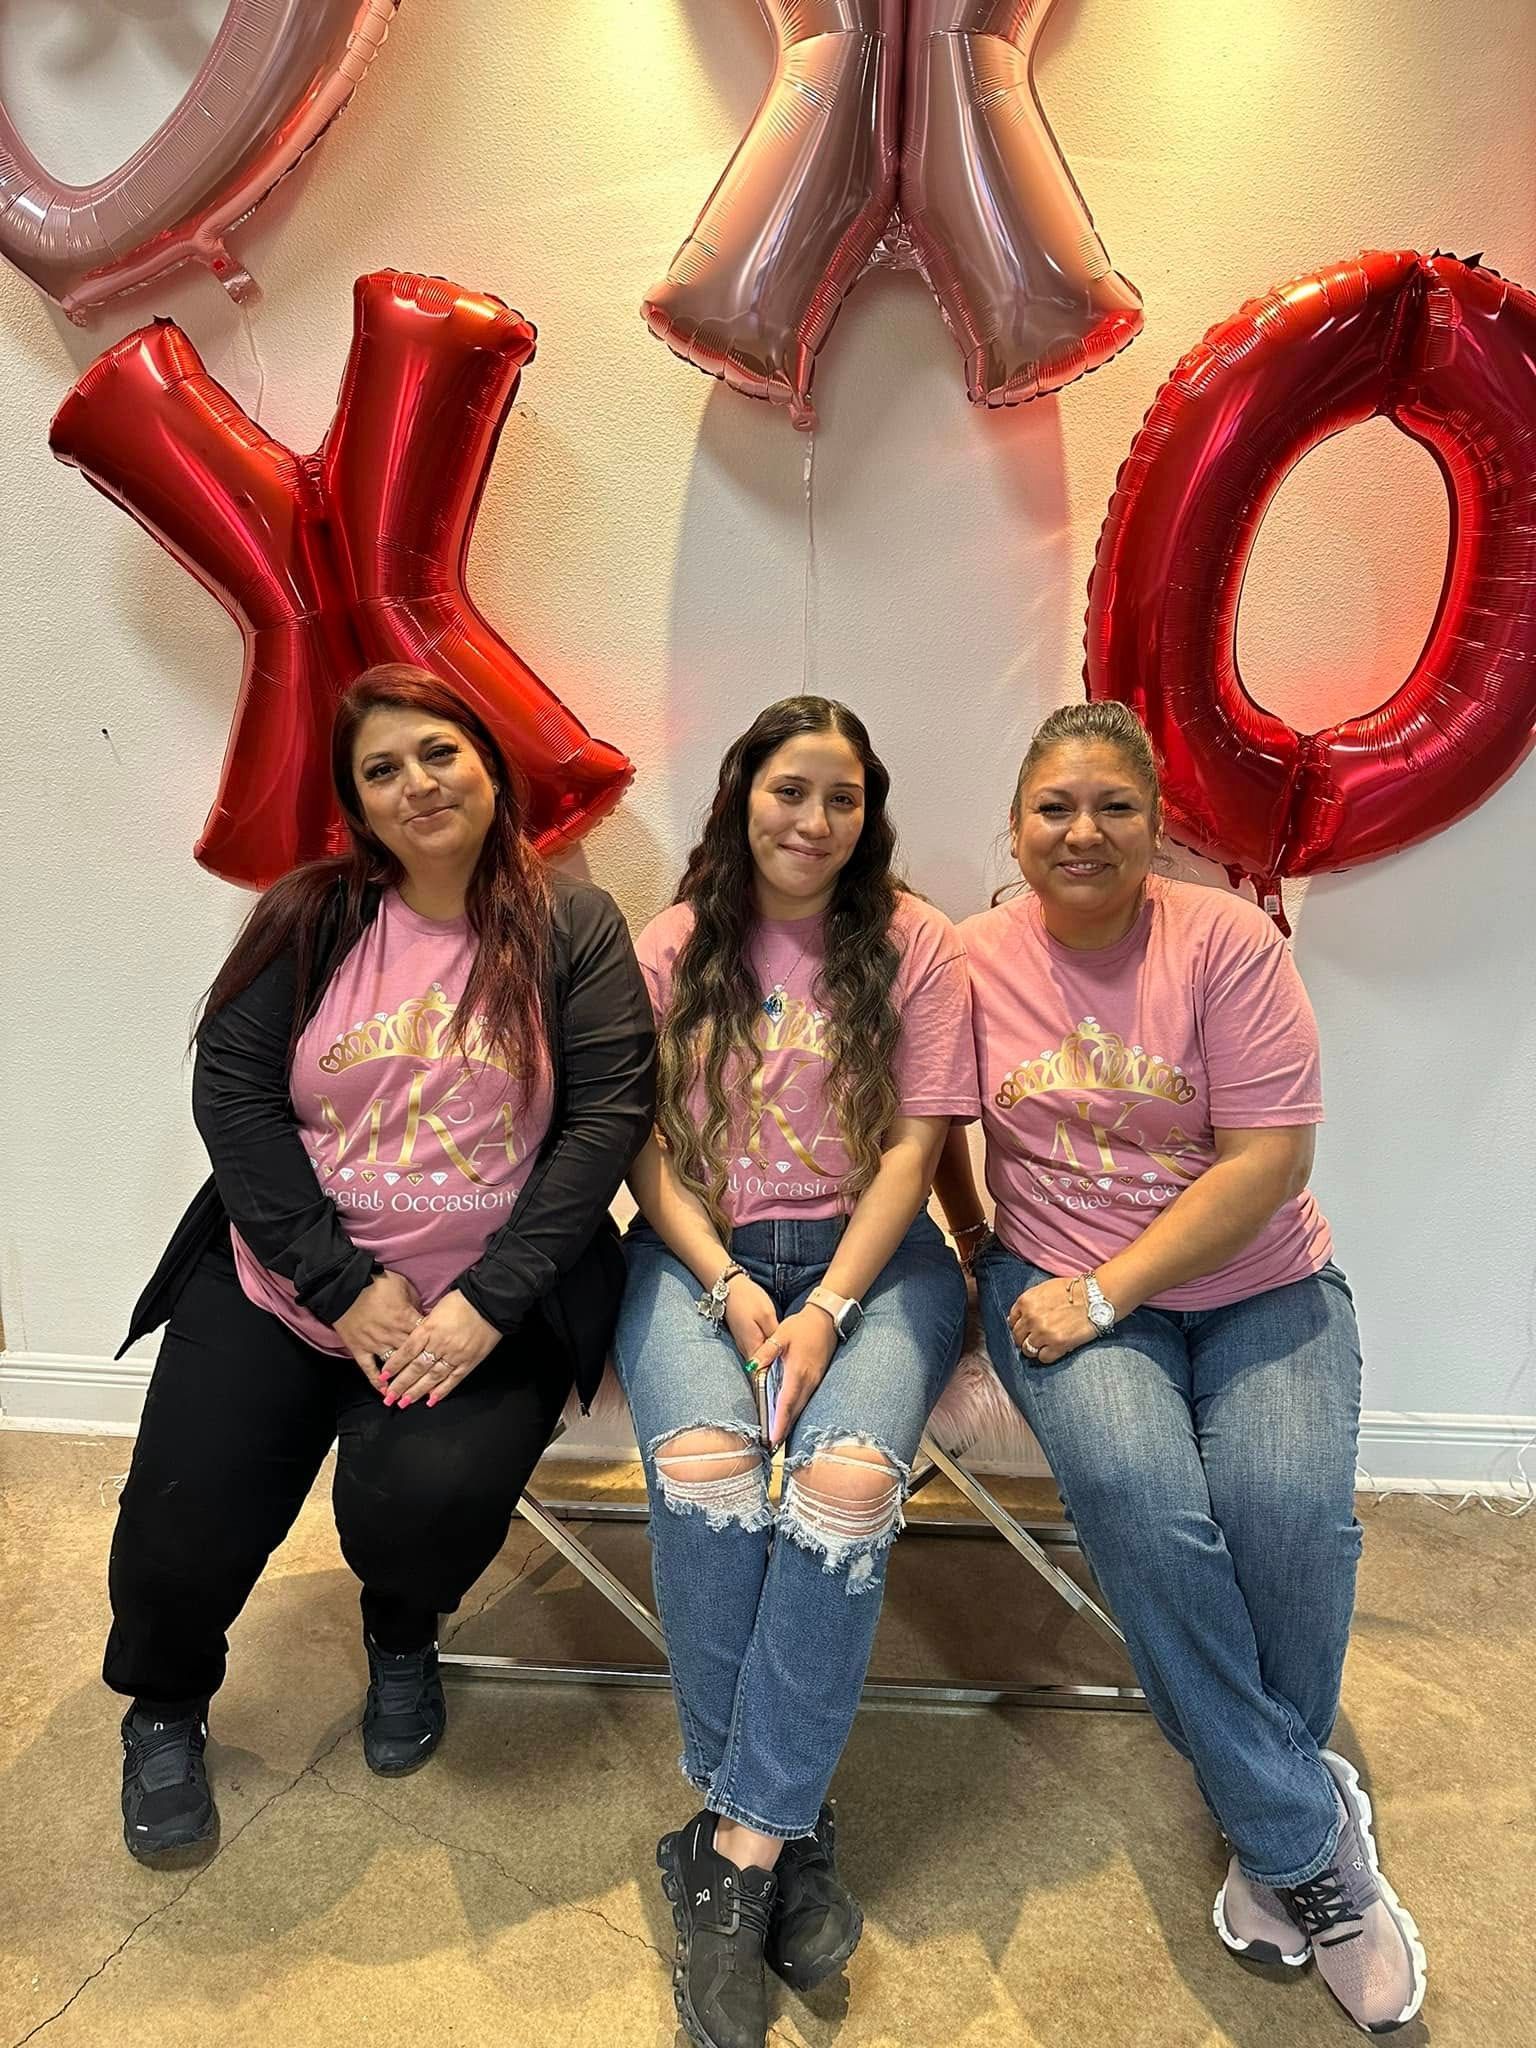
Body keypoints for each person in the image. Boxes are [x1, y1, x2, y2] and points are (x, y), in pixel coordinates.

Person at [105, 664, 655, 1863]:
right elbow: (235, 1095)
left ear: (489, 763)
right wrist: (343, 1284)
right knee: (180, 1522)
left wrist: (484, 1306)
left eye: (439, 752)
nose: (418, 783)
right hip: (287, 1287)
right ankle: (164, 1706)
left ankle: (403, 1634)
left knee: (423, 1505)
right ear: (355, 804)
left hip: (482, 1303)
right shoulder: (310, 914)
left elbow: (606, 1117)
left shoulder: (572, 923)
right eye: (382, 769)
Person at [936, 699, 1427, 2035]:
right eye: (1055, 807)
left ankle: (1269, 1811)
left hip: (1256, 1285)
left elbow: (1272, 1161)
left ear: (1156, 824)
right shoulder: (969, 962)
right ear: (1017, 829)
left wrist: (1106, 1288)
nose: (1082, 830)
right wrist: (993, 1252)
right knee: (1149, 1509)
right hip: (1058, 1290)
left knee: (1287, 1522)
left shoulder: (1227, 943)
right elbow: (921, 1123)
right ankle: (1307, 1842)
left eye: (1113, 806)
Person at [614, 697, 979, 2048]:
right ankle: (788, 1824)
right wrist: (719, 1277)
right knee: (709, 1473)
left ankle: (734, 1855)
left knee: (840, 1486)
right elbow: (640, 1146)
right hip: (693, 1252)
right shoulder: (670, 945)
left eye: (840, 797)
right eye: (788, 791)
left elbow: (916, 1152)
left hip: (876, 1266)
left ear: (867, 812)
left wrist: (825, 1304)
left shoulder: (916, 945)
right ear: (741, 797)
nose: (812, 821)